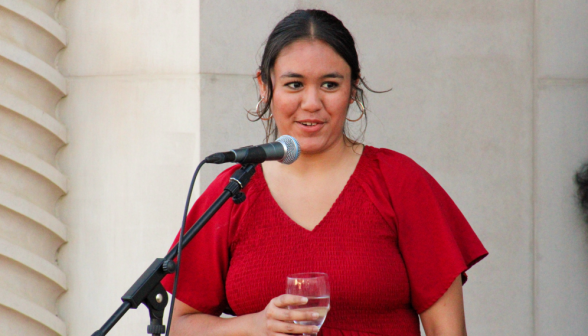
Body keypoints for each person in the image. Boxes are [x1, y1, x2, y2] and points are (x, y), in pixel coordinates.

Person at [162, 9, 488, 336]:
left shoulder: (400, 182)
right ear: (265, 86)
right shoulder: (233, 191)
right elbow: (179, 325)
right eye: (294, 84)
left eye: (330, 84)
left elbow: (447, 330)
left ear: (353, 87)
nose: (312, 102)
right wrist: (254, 325)